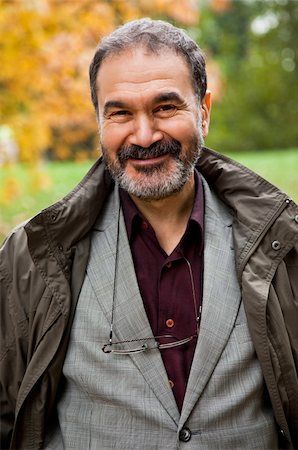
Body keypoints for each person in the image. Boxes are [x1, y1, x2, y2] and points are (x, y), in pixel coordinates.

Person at [0, 18, 297, 450]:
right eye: (120, 112)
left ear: (205, 112)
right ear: (99, 121)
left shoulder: (284, 246)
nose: (143, 135)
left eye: (165, 108)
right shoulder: (31, 258)